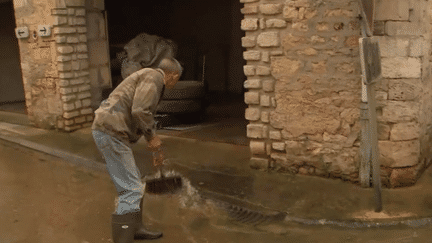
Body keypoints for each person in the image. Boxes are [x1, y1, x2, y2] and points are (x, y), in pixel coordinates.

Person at [91, 57, 182, 243]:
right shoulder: (154, 76)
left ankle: (136, 228)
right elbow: (140, 110)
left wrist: (155, 148)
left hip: (111, 131)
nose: (176, 83)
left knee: (135, 183)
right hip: (111, 132)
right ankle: (123, 238)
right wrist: (152, 137)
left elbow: (140, 112)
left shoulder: (149, 76)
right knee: (131, 190)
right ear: (173, 75)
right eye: (177, 79)